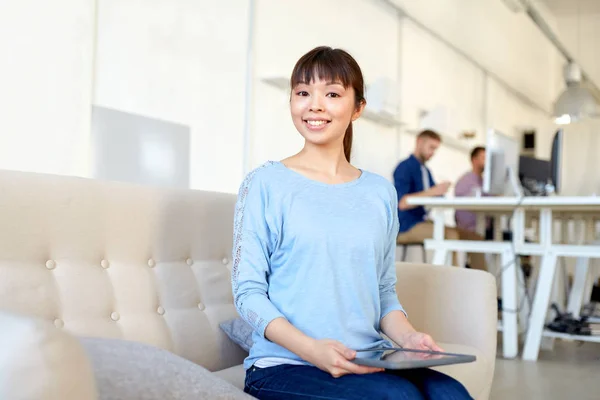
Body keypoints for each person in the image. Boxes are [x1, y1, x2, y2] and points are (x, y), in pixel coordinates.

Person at [232, 46, 472, 399]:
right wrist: (312, 349)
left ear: (358, 108)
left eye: (331, 93)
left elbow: (384, 291)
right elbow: (248, 293)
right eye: (302, 93)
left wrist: (408, 338)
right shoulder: (265, 184)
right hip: (285, 366)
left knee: (452, 395)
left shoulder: (379, 192)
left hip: (369, 357)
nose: (314, 105)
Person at [393, 131, 486, 271]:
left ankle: (483, 287)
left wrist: (440, 192)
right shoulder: (404, 168)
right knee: (451, 235)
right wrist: (433, 191)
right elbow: (402, 203)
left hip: (423, 221)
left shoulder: (425, 171)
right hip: (406, 226)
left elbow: (432, 195)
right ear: (419, 142)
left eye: (435, 149)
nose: (433, 153)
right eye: (431, 147)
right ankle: (453, 286)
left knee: (474, 237)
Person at [454, 146, 490, 269]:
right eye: (484, 158)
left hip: (484, 227)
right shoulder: (466, 181)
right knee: (478, 239)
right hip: (472, 228)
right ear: (474, 160)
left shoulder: (484, 181)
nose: (487, 161)